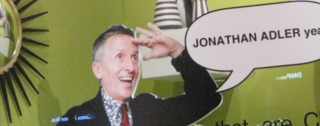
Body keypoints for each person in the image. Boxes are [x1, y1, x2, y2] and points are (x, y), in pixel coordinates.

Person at [56, 23, 222, 126]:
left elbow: (208, 97)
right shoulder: (75, 120)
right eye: (120, 57)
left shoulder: (150, 109)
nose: (130, 66)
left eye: (134, 57)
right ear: (98, 69)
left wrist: (177, 51)